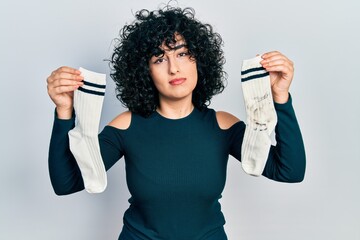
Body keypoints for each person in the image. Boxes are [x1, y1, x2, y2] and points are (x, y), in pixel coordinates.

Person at [46, 6, 305, 240]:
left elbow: (289, 171)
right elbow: (66, 183)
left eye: (182, 54)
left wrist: (280, 97)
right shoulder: (127, 126)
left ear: (199, 60)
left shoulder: (222, 126)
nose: (174, 68)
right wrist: (64, 111)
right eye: (159, 59)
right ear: (144, 72)